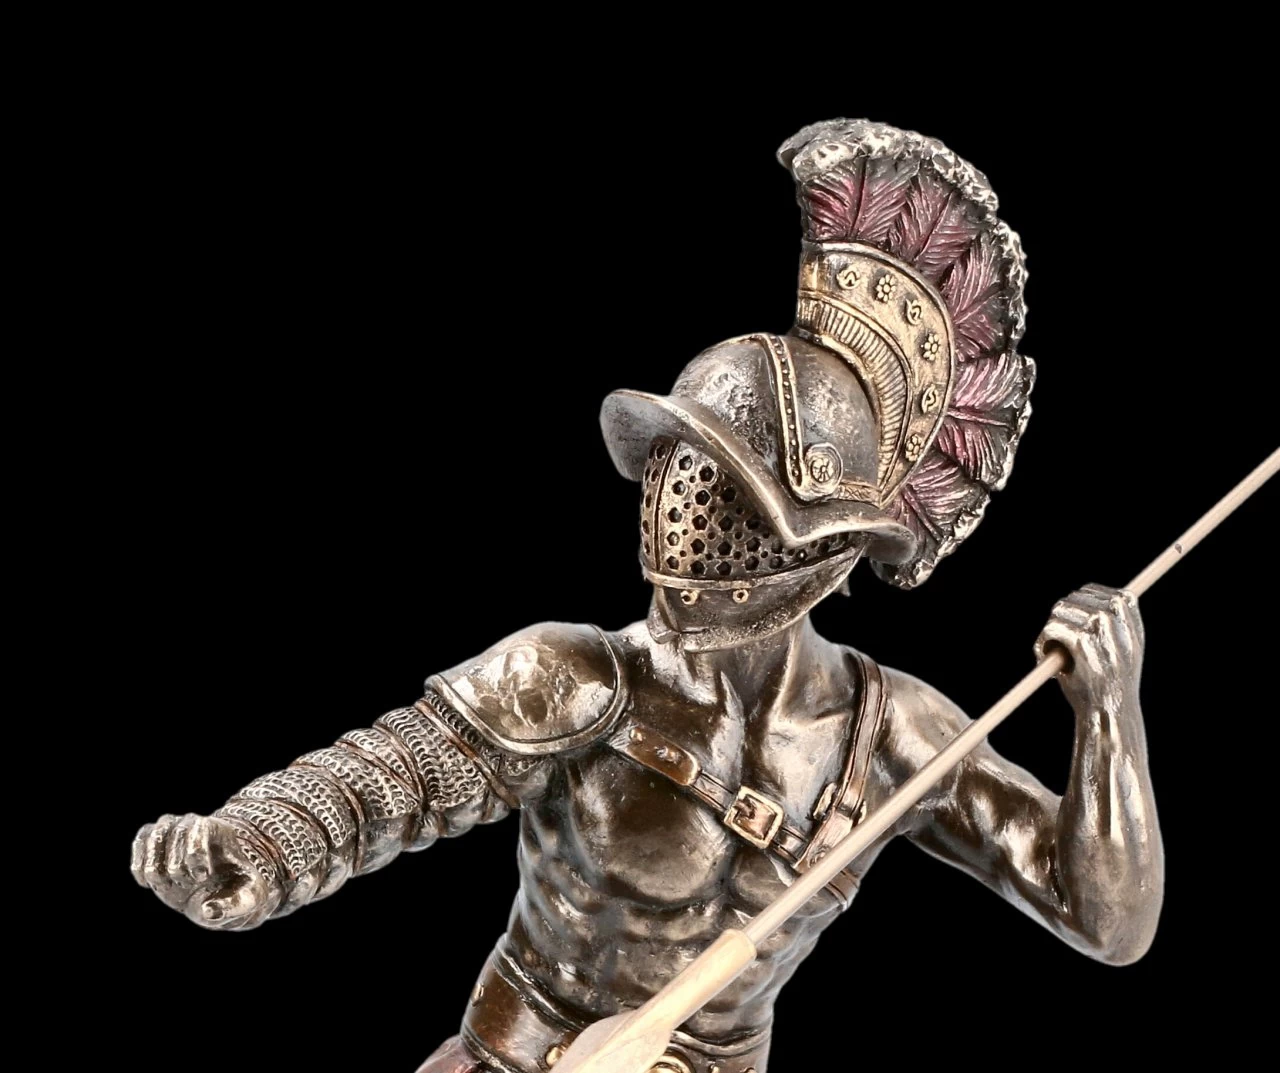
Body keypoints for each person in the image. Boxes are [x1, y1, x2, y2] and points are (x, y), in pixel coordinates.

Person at [130, 119, 1163, 1073]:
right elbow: (385, 780)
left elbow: (1104, 918)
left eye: (729, 491)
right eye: (679, 466)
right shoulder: (574, 676)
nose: (686, 506)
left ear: (831, 542)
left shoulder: (893, 736)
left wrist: (1108, 711)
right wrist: (254, 847)